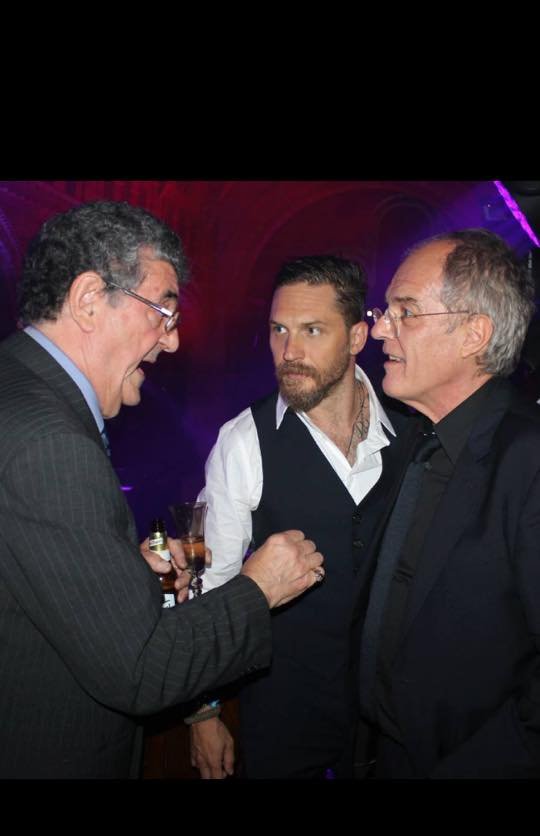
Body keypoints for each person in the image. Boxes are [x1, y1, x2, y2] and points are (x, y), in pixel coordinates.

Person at [0, 201, 324, 779]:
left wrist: (120, 571)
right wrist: (259, 588)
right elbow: (141, 672)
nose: (170, 343)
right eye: (163, 312)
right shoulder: (52, 442)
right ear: (89, 300)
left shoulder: (17, 388)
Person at [191, 255, 409, 779]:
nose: (289, 352)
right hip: (283, 714)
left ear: (357, 337)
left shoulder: (411, 428)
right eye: (278, 330)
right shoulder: (243, 442)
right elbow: (211, 586)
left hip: (394, 715)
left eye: (312, 330)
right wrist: (203, 712)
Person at [353, 227, 540, 779]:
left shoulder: (529, 461)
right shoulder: (415, 440)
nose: (379, 328)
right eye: (385, 310)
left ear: (473, 335)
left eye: (405, 311)